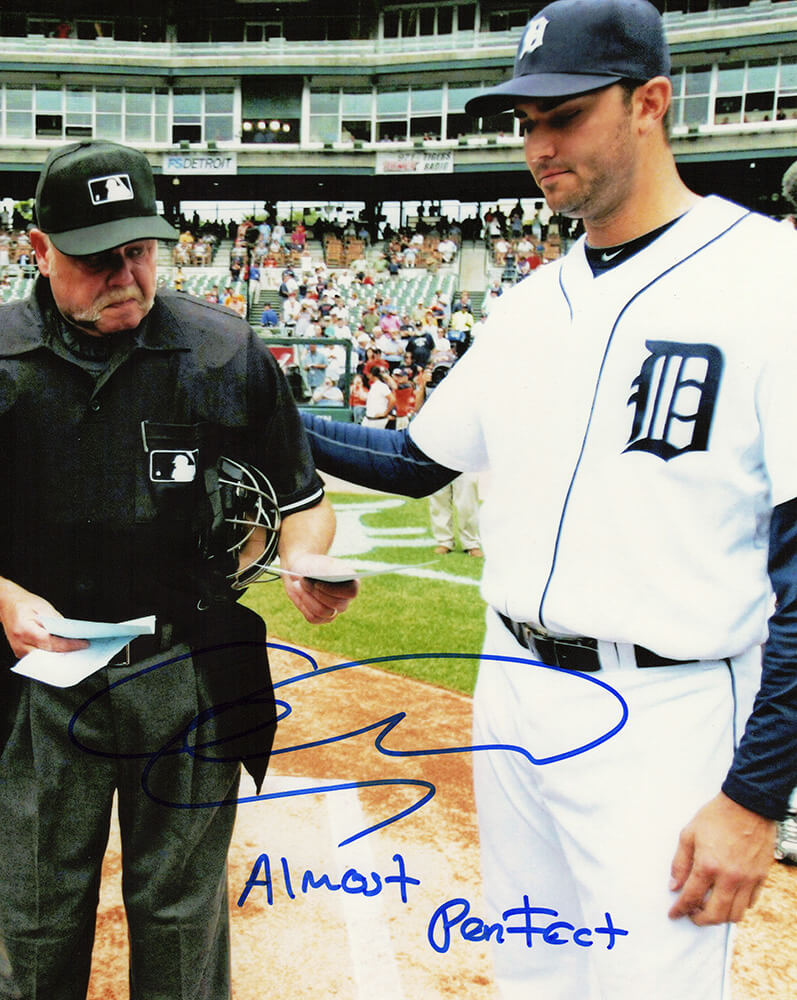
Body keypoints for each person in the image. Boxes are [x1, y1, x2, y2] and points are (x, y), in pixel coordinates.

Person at [298, 2, 797, 998]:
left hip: (667, 705)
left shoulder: (767, 281)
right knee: (532, 973)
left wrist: (752, 796)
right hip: (512, 679)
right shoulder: (528, 302)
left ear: (648, 103)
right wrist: (252, 403)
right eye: (524, 121)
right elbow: (411, 460)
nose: (536, 144)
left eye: (561, 115)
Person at [0, 140, 358, 999]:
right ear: (40, 248)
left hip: (185, 663)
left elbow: (301, 499)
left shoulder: (225, 354)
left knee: (181, 915)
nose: (126, 274)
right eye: (97, 256)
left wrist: (308, 556)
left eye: (141, 249)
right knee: (35, 917)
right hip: (38, 673)